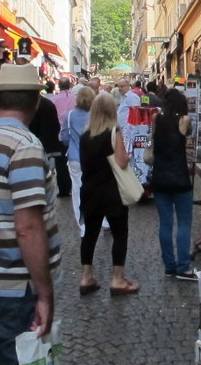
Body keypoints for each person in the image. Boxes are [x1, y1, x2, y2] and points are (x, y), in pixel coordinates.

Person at [0, 64, 61, 364]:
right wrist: (44, 293)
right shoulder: (25, 147)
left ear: (0, 100)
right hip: (17, 288)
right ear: (36, 101)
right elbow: (28, 227)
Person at [78, 94, 139, 295]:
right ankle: (117, 279)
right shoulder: (114, 132)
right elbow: (121, 162)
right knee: (120, 234)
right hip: (112, 192)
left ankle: (86, 277)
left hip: (90, 191)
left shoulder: (85, 136)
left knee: (90, 235)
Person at [150, 89, 196, 281]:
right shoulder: (184, 120)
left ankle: (169, 266)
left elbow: (156, 141)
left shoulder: (155, 118)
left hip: (160, 178)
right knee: (184, 223)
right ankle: (183, 266)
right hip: (180, 179)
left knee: (165, 224)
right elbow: (188, 137)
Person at [65, 86, 95, 237]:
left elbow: (64, 138)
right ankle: (102, 221)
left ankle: (82, 225)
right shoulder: (96, 115)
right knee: (96, 188)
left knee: (77, 190)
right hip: (94, 157)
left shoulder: (69, 115)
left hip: (75, 157)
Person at [30, 94, 67, 196]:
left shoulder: (28, 105)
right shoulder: (48, 104)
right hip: (49, 145)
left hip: (33, 145)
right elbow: (55, 126)